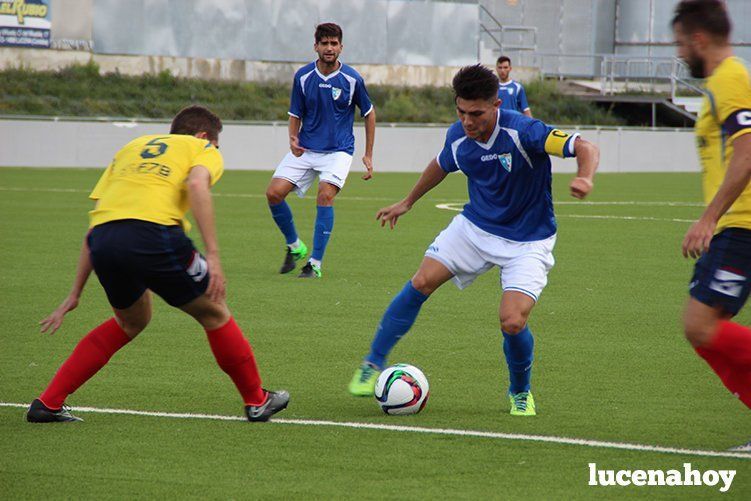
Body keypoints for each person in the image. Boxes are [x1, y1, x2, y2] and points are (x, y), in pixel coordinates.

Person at [348, 64, 599, 416]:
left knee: (512, 321)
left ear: (496, 104)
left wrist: (585, 178)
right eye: (461, 112)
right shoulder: (458, 135)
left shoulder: (524, 131)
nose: (468, 121)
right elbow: (441, 163)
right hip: (475, 228)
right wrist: (407, 202)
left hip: (528, 240)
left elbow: (585, 146)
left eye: (476, 113)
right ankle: (372, 363)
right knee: (421, 281)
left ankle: (520, 392)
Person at [28, 105, 289, 423]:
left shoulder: (131, 149)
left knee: (130, 322)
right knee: (214, 312)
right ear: (204, 136)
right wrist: (215, 256)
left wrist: (75, 293)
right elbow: (196, 185)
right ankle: (257, 401)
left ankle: (48, 403)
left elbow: (98, 223)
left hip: (104, 241)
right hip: (156, 236)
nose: (216, 151)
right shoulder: (201, 147)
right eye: (216, 145)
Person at [673, 0, 751, 416]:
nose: (680, 53)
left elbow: (748, 151)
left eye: (681, 44)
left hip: (743, 224)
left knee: (700, 325)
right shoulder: (726, 80)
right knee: (698, 328)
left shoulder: (729, 79)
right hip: (736, 226)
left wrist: (710, 217)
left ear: (699, 39)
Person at [266, 22, 376, 279]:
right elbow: (295, 113)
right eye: (324, 43)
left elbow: (369, 114)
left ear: (341, 47)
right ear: (315, 46)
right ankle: (295, 247)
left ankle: (314, 263)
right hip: (306, 148)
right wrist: (292, 139)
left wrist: (368, 154)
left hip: (338, 151)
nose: (329, 48)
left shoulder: (352, 79)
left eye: (334, 43)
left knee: (324, 196)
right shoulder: (303, 77)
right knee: (273, 193)